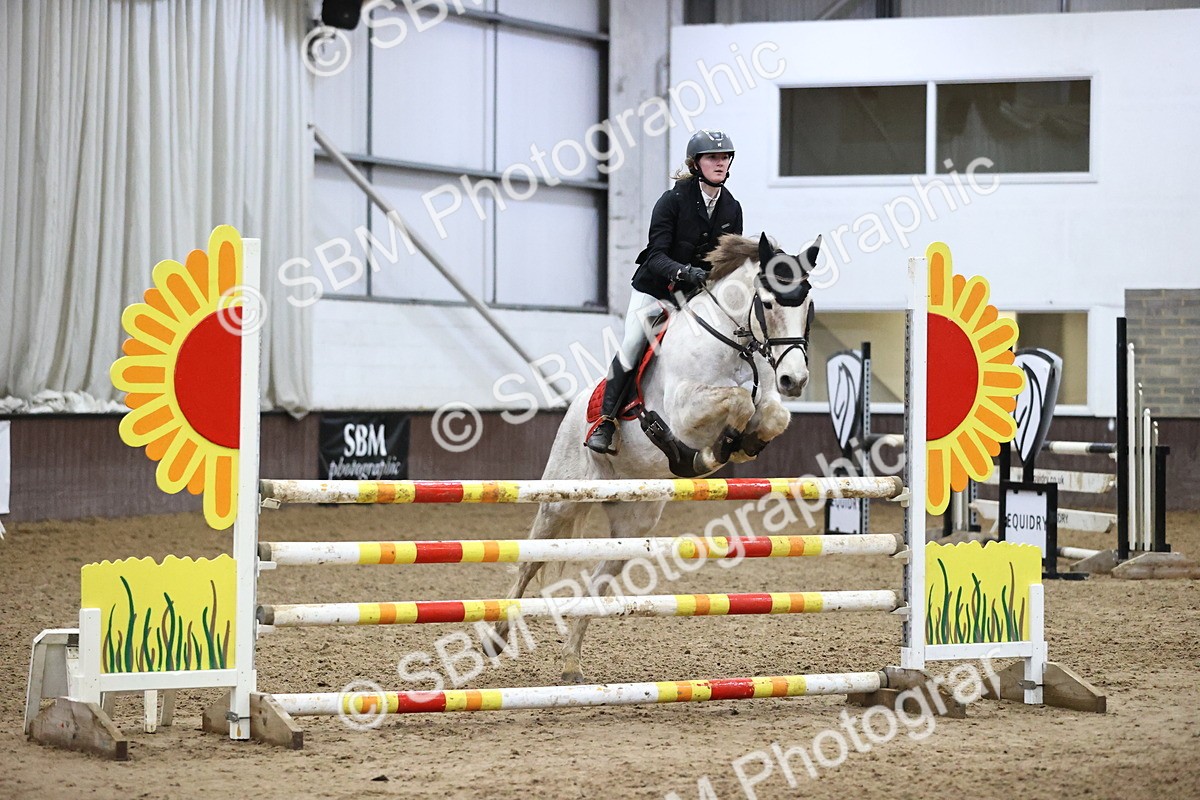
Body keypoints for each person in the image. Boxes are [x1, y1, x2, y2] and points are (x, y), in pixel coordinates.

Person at [585, 129, 743, 455]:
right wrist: (685, 272)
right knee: (633, 343)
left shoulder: (732, 208)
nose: (720, 163)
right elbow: (656, 256)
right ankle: (606, 421)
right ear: (696, 163)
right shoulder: (672, 200)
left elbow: (729, 261)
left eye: (725, 157)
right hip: (656, 289)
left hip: (696, 296)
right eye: (713, 157)